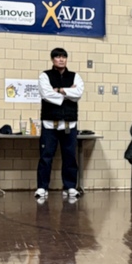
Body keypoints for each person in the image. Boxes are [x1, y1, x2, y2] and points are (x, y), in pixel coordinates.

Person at [36, 47, 85, 200]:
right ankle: (42, 187)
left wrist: (58, 90)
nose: (61, 59)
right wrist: (67, 92)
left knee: (70, 156)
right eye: (57, 57)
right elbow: (46, 94)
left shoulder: (75, 76)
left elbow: (78, 93)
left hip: (69, 124)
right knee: (46, 156)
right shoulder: (45, 76)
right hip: (49, 123)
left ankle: (70, 186)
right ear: (52, 60)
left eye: (64, 56)